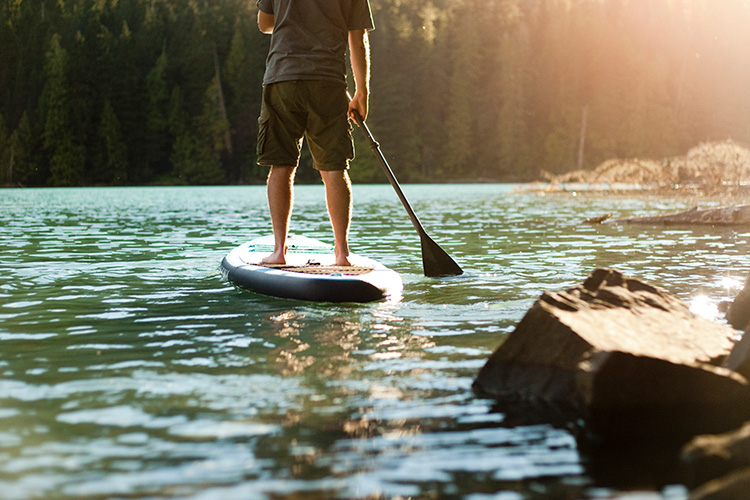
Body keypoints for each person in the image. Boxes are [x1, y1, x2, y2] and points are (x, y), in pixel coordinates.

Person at [256, 0, 374, 267]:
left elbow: (265, 24)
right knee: (334, 168)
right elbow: (358, 40)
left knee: (281, 164)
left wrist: (295, 21)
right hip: (328, 82)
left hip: (283, 78)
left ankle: (278, 252)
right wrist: (362, 93)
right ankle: (342, 254)